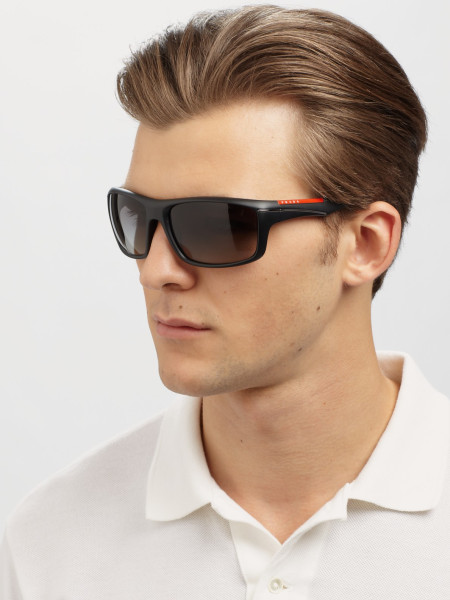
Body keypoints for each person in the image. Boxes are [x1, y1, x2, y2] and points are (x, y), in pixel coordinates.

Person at [2, 5, 449, 598]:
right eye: (139, 217)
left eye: (217, 225)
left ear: (366, 244)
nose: (156, 270)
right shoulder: (49, 545)